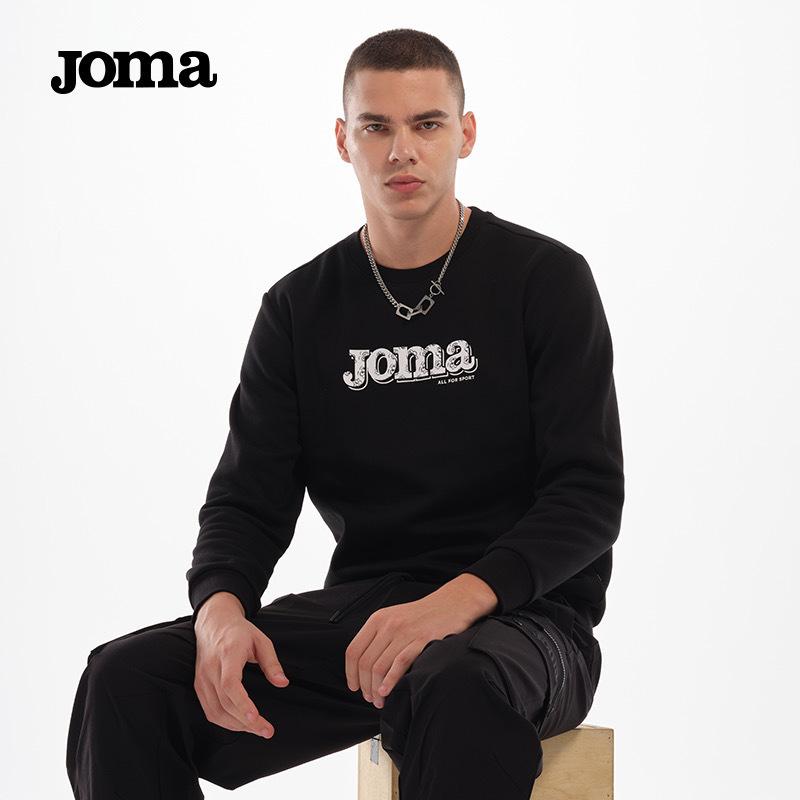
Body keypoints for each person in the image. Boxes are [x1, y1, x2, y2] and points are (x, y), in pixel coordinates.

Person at [66, 28, 624, 800]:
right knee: (124, 680)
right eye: (376, 126)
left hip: (528, 622)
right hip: (369, 624)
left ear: (465, 134)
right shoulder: (300, 309)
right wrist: (220, 609)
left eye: (427, 124)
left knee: (456, 681)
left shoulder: (544, 279)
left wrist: (449, 606)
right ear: (343, 140)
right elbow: (246, 500)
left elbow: (586, 498)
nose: (402, 150)